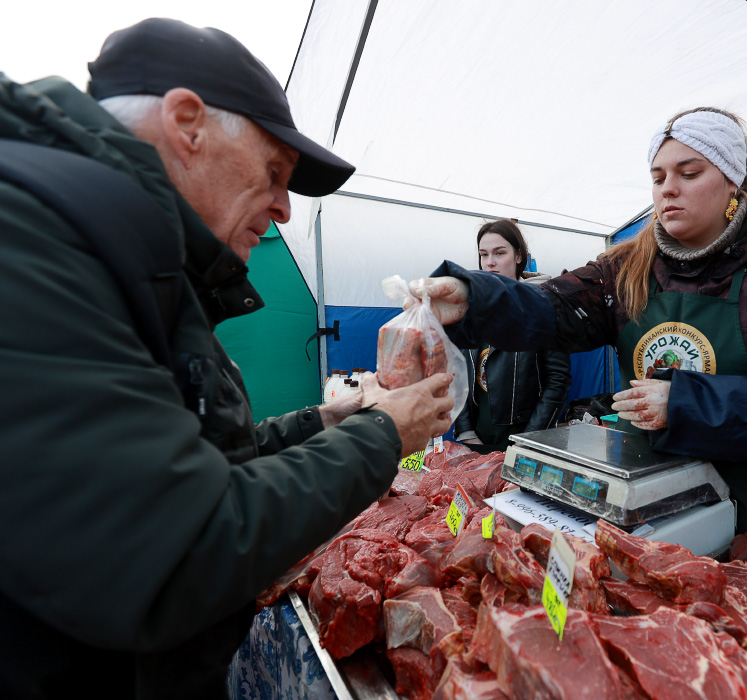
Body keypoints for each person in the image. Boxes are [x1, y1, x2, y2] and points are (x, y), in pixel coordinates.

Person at [0, 18, 452, 698]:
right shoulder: (32, 237)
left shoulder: (125, 251)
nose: (284, 209)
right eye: (275, 172)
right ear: (187, 123)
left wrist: (325, 422)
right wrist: (383, 435)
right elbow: (172, 549)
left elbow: (185, 464)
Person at [410, 108, 747, 558]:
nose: (667, 190)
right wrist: (475, 298)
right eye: (658, 178)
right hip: (656, 512)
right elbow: (553, 305)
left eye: (689, 174)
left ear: (732, 180)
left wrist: (684, 404)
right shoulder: (626, 266)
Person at [454, 219, 572, 452]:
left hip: (526, 438)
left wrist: (528, 439)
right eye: (483, 254)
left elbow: (558, 380)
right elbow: (457, 372)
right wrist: (466, 430)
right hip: (478, 438)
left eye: (499, 253)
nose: (490, 263)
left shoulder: (545, 306)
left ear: (519, 256)